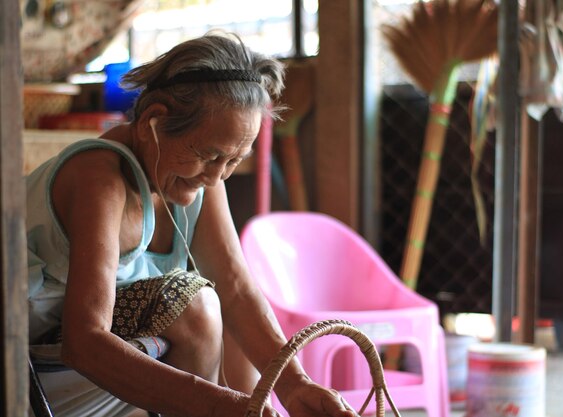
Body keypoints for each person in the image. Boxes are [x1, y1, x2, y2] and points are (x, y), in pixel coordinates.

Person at [27, 30, 357, 417]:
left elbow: (237, 288)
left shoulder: (196, 178)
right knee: (195, 305)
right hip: (29, 357)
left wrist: (295, 385)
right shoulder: (100, 176)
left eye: (233, 161)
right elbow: (84, 342)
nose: (217, 176)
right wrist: (216, 405)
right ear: (153, 121)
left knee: (231, 318)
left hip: (81, 349)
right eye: (208, 155)